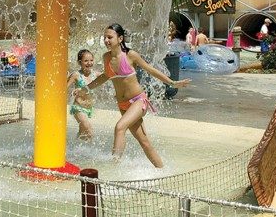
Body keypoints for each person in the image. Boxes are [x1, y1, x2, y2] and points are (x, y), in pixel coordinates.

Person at [87, 24, 189, 167]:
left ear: (120, 38)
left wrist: (172, 83)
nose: (106, 40)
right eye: (105, 37)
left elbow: (150, 69)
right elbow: (105, 76)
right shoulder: (106, 57)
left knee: (119, 127)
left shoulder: (130, 55)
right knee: (144, 142)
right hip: (123, 105)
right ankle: (162, 170)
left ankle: (113, 166)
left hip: (138, 101)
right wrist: (87, 88)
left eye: (110, 37)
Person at [67, 49, 96, 141]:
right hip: (78, 108)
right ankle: (92, 152)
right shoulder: (76, 75)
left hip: (88, 109)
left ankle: (75, 149)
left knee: (83, 134)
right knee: (90, 131)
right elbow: (64, 88)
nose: (89, 63)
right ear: (80, 62)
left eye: (91, 60)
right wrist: (72, 92)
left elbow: (108, 76)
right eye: (86, 61)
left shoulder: (95, 75)